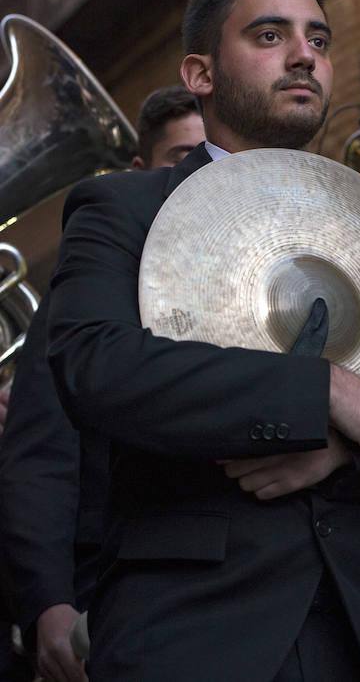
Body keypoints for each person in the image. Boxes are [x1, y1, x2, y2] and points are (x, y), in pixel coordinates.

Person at [45, 0, 360, 682]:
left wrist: (343, 445)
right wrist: (328, 394)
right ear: (201, 75)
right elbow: (97, 366)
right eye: (269, 36)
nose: (303, 54)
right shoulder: (122, 207)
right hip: (197, 637)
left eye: (319, 39)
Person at [0, 86, 204, 682]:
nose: (196, 177)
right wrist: (47, 602)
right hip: (111, 599)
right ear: (139, 172)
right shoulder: (92, 284)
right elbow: (43, 453)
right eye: (179, 160)